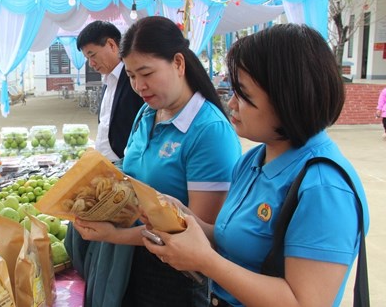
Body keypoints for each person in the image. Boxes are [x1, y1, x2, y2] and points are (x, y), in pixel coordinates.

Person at [142, 24, 369, 307]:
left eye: (243, 94)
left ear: (287, 98)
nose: (232, 103)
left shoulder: (324, 188)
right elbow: (233, 242)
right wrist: (184, 218)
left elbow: (305, 302)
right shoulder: (254, 159)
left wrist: (206, 261)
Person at [69, 16, 242, 306]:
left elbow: (198, 235)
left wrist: (116, 235)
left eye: (146, 73)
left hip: (176, 278)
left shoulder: (209, 131)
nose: (138, 86)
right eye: (132, 75)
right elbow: (132, 172)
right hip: (134, 264)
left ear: (178, 63)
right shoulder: (148, 114)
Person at [76, 20, 143, 163]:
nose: (91, 63)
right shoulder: (107, 81)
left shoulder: (134, 80)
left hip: (126, 166)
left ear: (112, 45)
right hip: (106, 165)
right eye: (87, 58)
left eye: (92, 55)